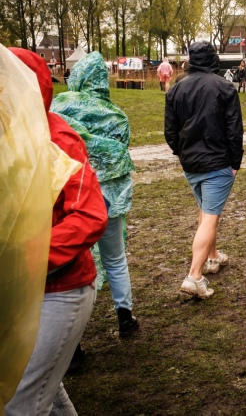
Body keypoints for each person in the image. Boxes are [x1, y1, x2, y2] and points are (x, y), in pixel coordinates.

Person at [5, 48, 108, 416]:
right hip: (20, 294)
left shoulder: (57, 138)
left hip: (60, 289)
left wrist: (29, 260)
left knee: (21, 403)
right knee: (39, 390)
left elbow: (91, 214)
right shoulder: (8, 141)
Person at [50, 51, 140, 338]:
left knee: (72, 264)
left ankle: (72, 340)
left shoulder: (59, 108)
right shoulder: (117, 116)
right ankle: (125, 315)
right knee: (115, 258)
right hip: (110, 198)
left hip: (73, 199)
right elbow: (119, 150)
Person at [165, 41, 244, 299]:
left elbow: (170, 133)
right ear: (213, 59)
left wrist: (183, 153)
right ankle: (194, 276)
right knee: (209, 217)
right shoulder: (224, 87)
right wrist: (235, 163)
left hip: (192, 164)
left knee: (205, 212)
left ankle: (212, 257)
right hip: (217, 162)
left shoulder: (175, 90)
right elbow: (234, 130)